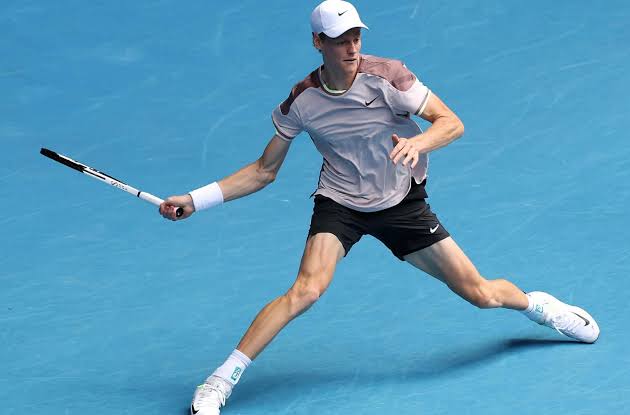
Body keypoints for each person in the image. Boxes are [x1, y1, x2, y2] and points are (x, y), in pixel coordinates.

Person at [160, 1, 600, 414]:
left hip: (400, 202)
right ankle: (220, 380)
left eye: (356, 37)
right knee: (306, 290)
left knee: (480, 294)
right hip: (341, 202)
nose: (352, 47)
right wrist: (195, 200)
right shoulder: (303, 100)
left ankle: (538, 307)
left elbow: (451, 123)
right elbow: (263, 171)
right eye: (339, 40)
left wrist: (418, 141)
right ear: (318, 43)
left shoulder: (391, 76)